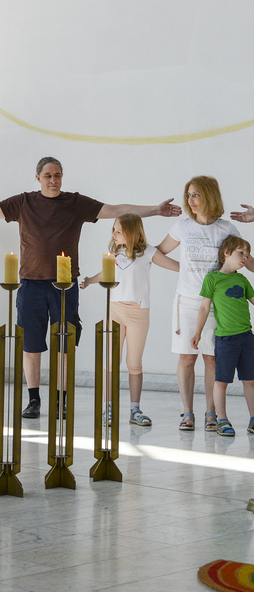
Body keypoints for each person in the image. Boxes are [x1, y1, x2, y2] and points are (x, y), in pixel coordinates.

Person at [0, 157, 180, 419]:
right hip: (30, 285)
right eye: (48, 176)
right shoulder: (23, 202)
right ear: (38, 178)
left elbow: (115, 210)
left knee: (64, 347)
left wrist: (156, 210)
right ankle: (34, 400)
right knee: (31, 346)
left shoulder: (75, 203)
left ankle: (61, 401)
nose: (53, 180)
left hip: (65, 286)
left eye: (57, 175)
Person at [155, 176, 239, 431]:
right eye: (189, 195)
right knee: (187, 358)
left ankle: (211, 413)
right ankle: (187, 412)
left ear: (210, 196)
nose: (191, 200)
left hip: (217, 305)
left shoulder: (226, 229)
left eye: (196, 194)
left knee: (212, 359)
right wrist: (181, 268)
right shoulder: (182, 226)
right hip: (187, 303)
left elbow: (243, 260)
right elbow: (157, 252)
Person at [80, 214, 179, 426]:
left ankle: (135, 409)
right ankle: (108, 407)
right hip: (115, 310)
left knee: (134, 363)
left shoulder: (148, 252)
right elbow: (106, 273)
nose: (114, 234)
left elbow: (175, 265)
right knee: (111, 361)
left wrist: (195, 269)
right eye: (113, 230)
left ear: (132, 232)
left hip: (138, 313)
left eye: (118, 231)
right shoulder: (115, 253)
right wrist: (89, 281)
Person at [191, 236, 254, 437]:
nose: (245, 258)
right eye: (241, 253)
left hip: (247, 337)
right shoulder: (213, 279)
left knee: (250, 380)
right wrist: (197, 332)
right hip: (226, 340)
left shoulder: (242, 280)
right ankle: (222, 420)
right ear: (226, 253)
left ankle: (253, 419)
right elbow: (204, 307)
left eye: (247, 254)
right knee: (222, 381)